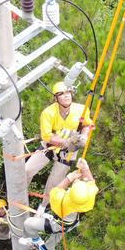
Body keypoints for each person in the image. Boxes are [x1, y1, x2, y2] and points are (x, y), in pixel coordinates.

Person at [25, 82, 93, 210]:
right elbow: (47, 136)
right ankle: (21, 193)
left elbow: (87, 125)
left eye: (68, 93)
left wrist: (84, 136)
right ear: (56, 98)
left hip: (68, 153)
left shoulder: (81, 110)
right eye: (61, 94)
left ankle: (43, 207)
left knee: (54, 183)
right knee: (27, 169)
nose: (66, 96)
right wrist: (65, 142)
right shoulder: (48, 113)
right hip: (50, 146)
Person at [19, 158, 98, 250]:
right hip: (71, 222)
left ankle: (36, 241)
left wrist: (69, 178)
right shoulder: (88, 196)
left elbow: (55, 191)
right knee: (59, 233)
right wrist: (85, 168)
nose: (78, 181)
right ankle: (47, 249)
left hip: (58, 224)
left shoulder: (64, 202)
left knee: (28, 223)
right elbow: (91, 181)